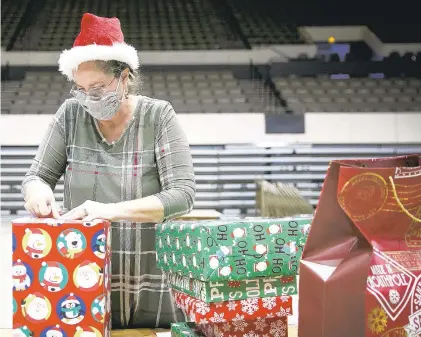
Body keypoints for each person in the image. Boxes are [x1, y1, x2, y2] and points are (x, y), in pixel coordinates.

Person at [22, 13, 196, 329]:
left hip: (151, 283)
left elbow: (182, 195)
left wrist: (108, 211)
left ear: (125, 76)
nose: (90, 98)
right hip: (80, 282)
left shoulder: (158, 117)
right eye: (81, 88)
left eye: (99, 87)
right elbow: (36, 176)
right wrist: (38, 193)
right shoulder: (71, 115)